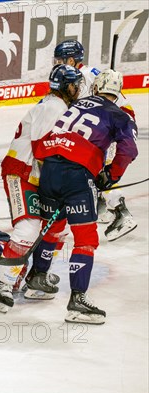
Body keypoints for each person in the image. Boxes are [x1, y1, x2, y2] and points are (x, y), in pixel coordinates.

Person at [32, 69, 138, 324]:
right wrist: (110, 176)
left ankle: (36, 279)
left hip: (49, 169)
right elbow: (129, 149)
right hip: (76, 176)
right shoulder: (119, 114)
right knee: (86, 239)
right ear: (119, 92)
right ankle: (78, 302)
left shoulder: (77, 104)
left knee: (53, 228)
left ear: (96, 88)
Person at [0, 64, 83, 313]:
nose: (78, 89)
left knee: (57, 226)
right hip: (21, 173)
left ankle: (36, 278)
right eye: (75, 84)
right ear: (67, 86)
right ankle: (3, 286)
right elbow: (43, 150)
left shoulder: (60, 106)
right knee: (28, 228)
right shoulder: (54, 106)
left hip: (39, 175)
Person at [53, 39, 137, 241]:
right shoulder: (91, 73)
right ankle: (103, 205)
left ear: (71, 60)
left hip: (113, 125)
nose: (57, 64)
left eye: (59, 60)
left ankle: (120, 212)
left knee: (96, 166)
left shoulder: (80, 78)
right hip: (111, 122)